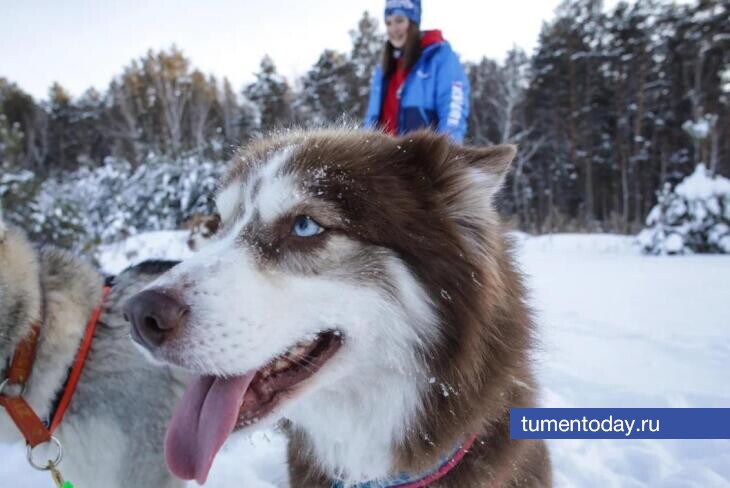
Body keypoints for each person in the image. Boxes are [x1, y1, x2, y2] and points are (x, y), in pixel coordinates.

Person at [364, 0, 470, 143]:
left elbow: (453, 108)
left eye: (399, 21)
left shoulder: (439, 55)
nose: (393, 29)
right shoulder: (383, 68)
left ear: (413, 22)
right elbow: (372, 119)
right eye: (388, 23)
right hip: (384, 159)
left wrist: (447, 150)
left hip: (422, 158)